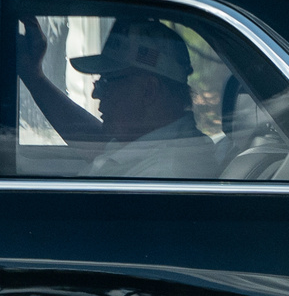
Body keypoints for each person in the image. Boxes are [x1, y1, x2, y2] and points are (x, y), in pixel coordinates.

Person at [17, 15, 219, 179]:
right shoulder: (154, 143)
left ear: (148, 91)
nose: (95, 94)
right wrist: (34, 77)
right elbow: (98, 143)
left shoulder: (164, 173)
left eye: (106, 82)